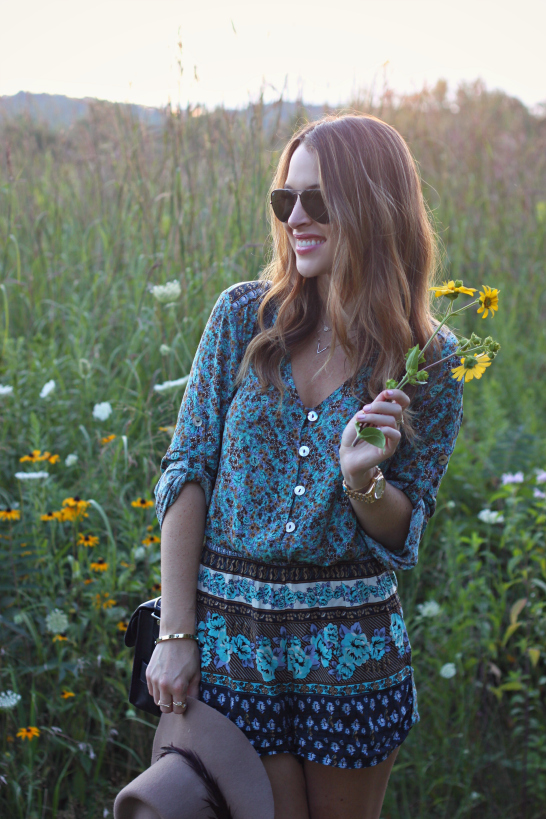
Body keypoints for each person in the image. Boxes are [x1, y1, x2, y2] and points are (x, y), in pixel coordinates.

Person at [148, 114, 463, 819]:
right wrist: (175, 634)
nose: (296, 217)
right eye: (284, 199)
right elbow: (187, 470)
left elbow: (401, 530)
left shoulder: (428, 359)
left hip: (348, 653)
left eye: (318, 201)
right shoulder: (242, 318)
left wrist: (361, 480)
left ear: (375, 206)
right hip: (231, 644)